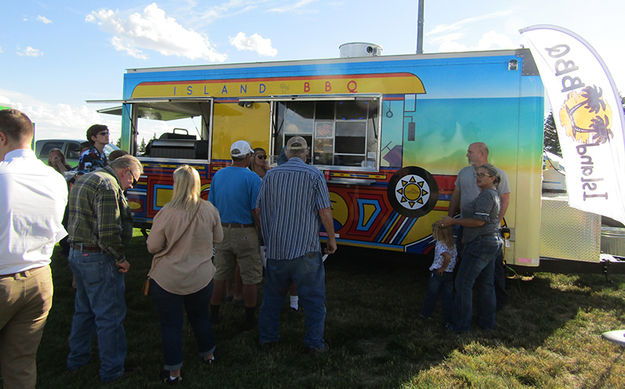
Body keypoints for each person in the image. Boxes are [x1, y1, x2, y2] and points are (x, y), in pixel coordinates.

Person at [0, 109, 68, 389]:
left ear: (1, 138)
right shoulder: (55, 178)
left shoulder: (3, 175)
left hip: (3, 278)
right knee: (22, 363)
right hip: (40, 278)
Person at [66, 154, 143, 383]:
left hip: (77, 253)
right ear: (125, 171)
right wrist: (120, 257)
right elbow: (108, 230)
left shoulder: (86, 178)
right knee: (109, 316)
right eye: (134, 180)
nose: (132, 185)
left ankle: (77, 360)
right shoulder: (108, 185)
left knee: (84, 310)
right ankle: (112, 370)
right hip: (97, 258)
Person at [256, 136, 337, 353]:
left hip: (277, 249)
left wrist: (266, 236)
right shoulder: (314, 175)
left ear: (287, 152)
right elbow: (324, 210)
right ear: (306, 153)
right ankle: (314, 344)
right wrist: (331, 238)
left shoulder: (270, 176)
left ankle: (268, 340)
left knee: (272, 299)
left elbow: (259, 209)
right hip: (306, 250)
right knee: (313, 301)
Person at [146, 165, 223, 384]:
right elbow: (218, 238)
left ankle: (173, 373)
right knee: (201, 318)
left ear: (176, 184)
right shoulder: (209, 209)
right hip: (201, 277)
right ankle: (209, 355)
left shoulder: (166, 212)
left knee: (171, 326)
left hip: (168, 279)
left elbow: (153, 246)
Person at [447, 142, 510, 310]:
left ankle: (499, 304)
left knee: (493, 271)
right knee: (465, 265)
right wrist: (450, 217)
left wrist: (496, 222)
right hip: (466, 228)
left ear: (482, 153)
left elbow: (505, 198)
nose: (467, 155)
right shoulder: (464, 173)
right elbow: (456, 196)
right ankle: (466, 303)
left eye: (470, 152)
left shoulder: (496, 174)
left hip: (486, 232)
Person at [442, 163, 503, 333]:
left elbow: (479, 221)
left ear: (492, 178)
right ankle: (486, 323)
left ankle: (460, 326)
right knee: (486, 284)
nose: (478, 178)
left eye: (482, 175)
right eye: (476, 175)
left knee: (463, 283)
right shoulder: (491, 194)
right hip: (490, 243)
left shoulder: (487, 196)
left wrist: (453, 221)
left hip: (480, 244)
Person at [208, 140, 263, 330]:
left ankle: (214, 314)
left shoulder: (219, 175)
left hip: (222, 230)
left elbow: (212, 206)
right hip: (245, 232)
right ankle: (249, 318)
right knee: (251, 277)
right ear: (248, 157)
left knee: (220, 274)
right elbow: (256, 210)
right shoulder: (254, 179)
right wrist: (263, 230)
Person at [419, 221, 457, 325]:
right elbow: (454, 257)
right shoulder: (452, 244)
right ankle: (448, 318)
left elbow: (447, 257)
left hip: (438, 273)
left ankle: (426, 313)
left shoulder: (440, 244)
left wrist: (442, 267)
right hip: (450, 273)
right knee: (448, 296)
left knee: (432, 294)